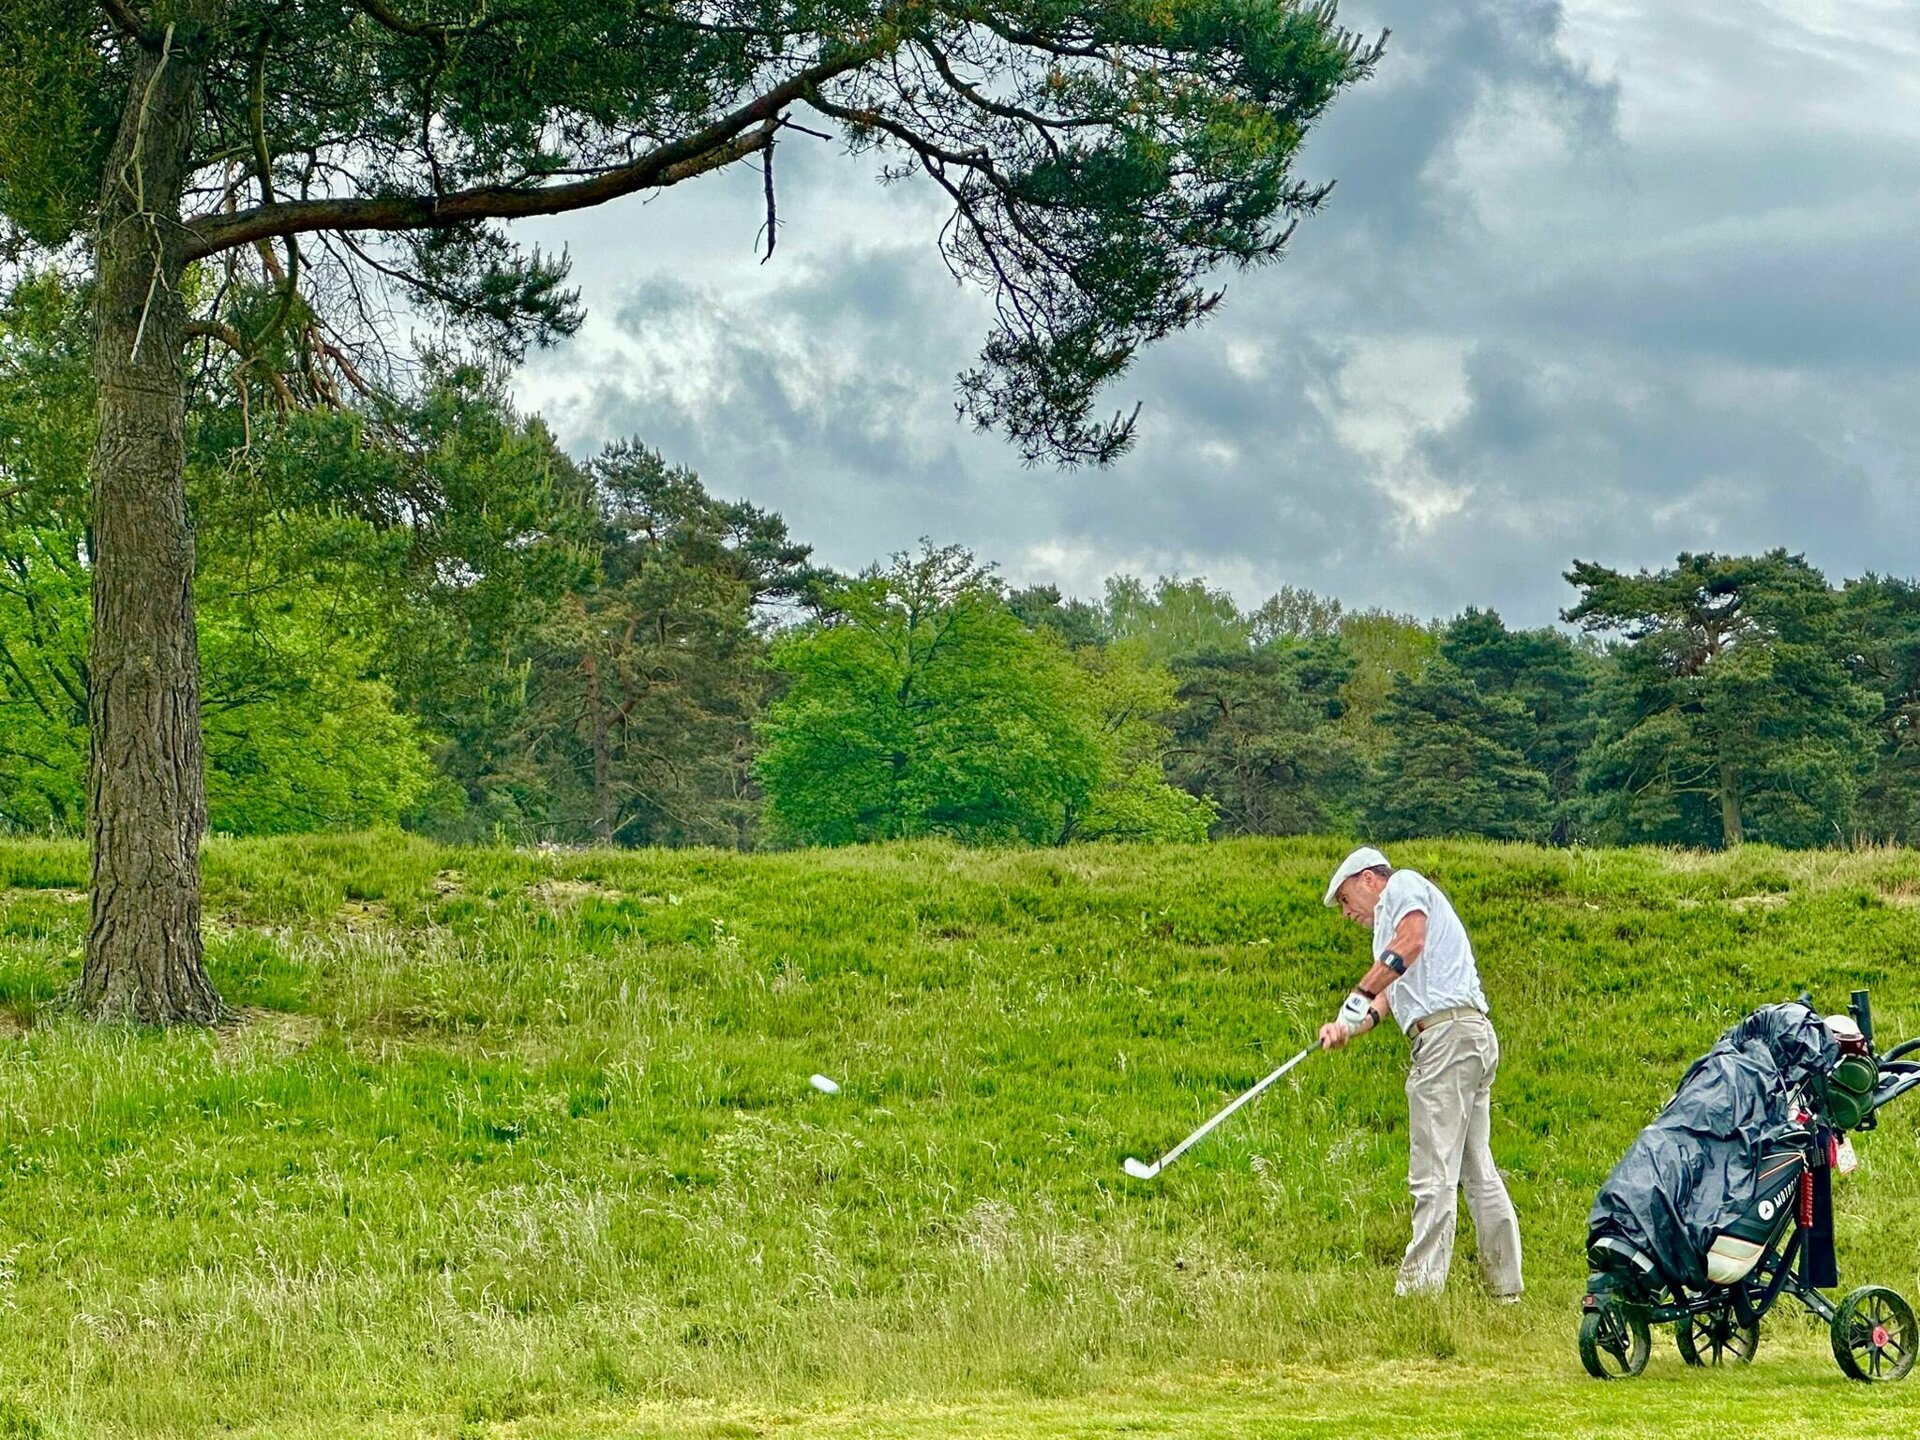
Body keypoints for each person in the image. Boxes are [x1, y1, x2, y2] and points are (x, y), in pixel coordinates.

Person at [1318, 846, 1523, 1300]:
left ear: (1369, 878)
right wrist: (1346, 1027)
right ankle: (1505, 1290)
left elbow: (1411, 942)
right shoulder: (1386, 938)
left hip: (1446, 1042)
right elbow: (1386, 1002)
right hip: (1469, 1036)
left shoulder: (1403, 886)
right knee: (1477, 1170)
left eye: (1346, 899)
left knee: (1433, 1175)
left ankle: (1418, 1295)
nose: (1346, 912)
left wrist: (1358, 993)